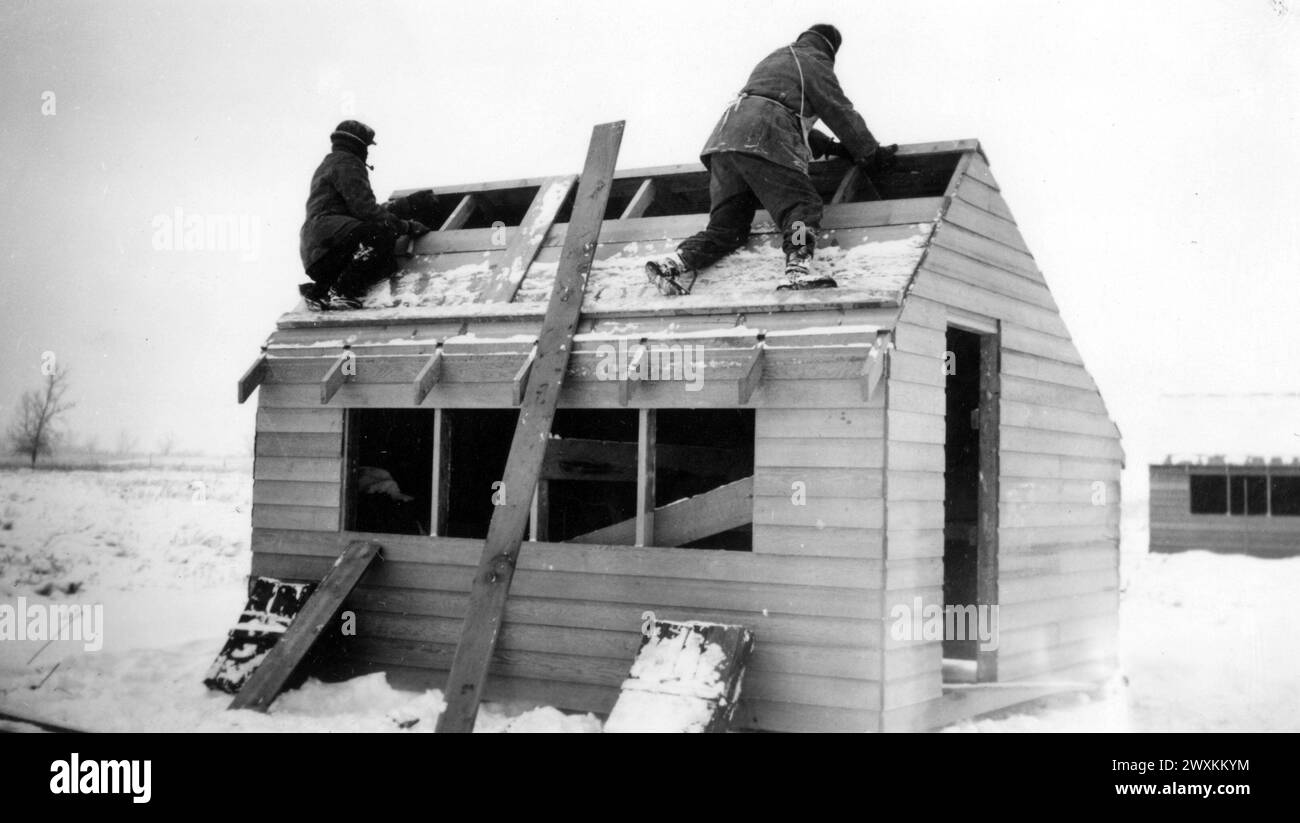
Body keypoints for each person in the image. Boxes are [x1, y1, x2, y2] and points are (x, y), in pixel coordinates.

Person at [645, 24, 897, 294]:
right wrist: (870, 153)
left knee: (728, 227)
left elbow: (782, 111)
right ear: (830, 50)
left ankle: (672, 263)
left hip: (725, 142)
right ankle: (797, 270)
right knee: (802, 207)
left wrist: (834, 148)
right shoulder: (814, 61)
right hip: (763, 137)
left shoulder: (777, 59)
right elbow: (838, 111)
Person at [298, 120, 439, 310]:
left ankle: (321, 292)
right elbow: (367, 211)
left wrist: (405, 205)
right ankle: (343, 292)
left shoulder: (329, 163)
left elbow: (361, 212)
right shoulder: (348, 163)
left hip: (317, 253)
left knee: (377, 249)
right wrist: (408, 227)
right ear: (359, 145)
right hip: (332, 243)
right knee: (381, 235)